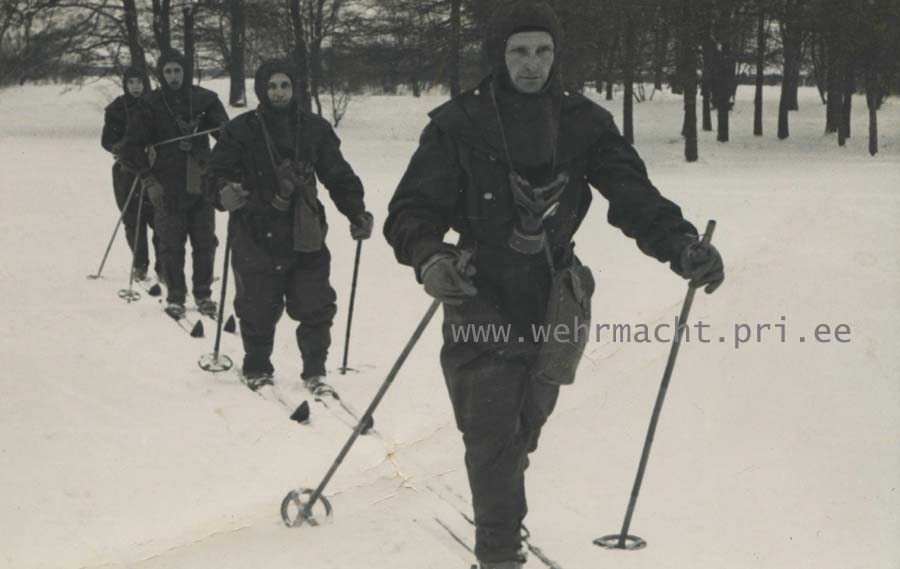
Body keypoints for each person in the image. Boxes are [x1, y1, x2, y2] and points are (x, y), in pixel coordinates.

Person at [383, 3, 724, 568]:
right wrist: (430, 257)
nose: (532, 63)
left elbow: (633, 196)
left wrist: (681, 245)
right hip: (478, 290)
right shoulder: (458, 124)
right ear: (498, 54)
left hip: (554, 294)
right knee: (491, 427)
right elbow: (411, 211)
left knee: (525, 425)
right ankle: (499, 550)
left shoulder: (582, 123)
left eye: (543, 51)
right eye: (519, 51)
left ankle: (502, 500)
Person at [208, 60, 373, 389]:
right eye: (272, 86)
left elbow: (337, 174)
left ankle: (315, 369)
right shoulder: (240, 130)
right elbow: (214, 174)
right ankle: (257, 366)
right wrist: (223, 193)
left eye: (285, 85)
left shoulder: (314, 129)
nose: (279, 93)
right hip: (255, 229)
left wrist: (356, 212)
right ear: (261, 90)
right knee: (257, 305)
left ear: (295, 88)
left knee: (315, 302)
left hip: (303, 229)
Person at [121, 49, 229, 317]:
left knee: (205, 243)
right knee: (171, 243)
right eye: (168, 71)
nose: (173, 76)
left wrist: (214, 164)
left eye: (177, 70)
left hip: (201, 183)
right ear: (161, 74)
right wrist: (148, 179)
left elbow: (228, 140)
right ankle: (176, 296)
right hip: (166, 185)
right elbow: (131, 148)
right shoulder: (150, 104)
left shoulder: (205, 99)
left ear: (186, 71)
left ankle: (203, 294)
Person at [100, 66, 160, 282]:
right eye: (131, 82)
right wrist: (120, 147)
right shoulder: (117, 108)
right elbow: (107, 140)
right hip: (127, 171)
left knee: (160, 218)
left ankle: (163, 266)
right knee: (133, 219)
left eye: (140, 82)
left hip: (154, 168)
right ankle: (140, 265)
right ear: (125, 84)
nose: (136, 87)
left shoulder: (156, 104)